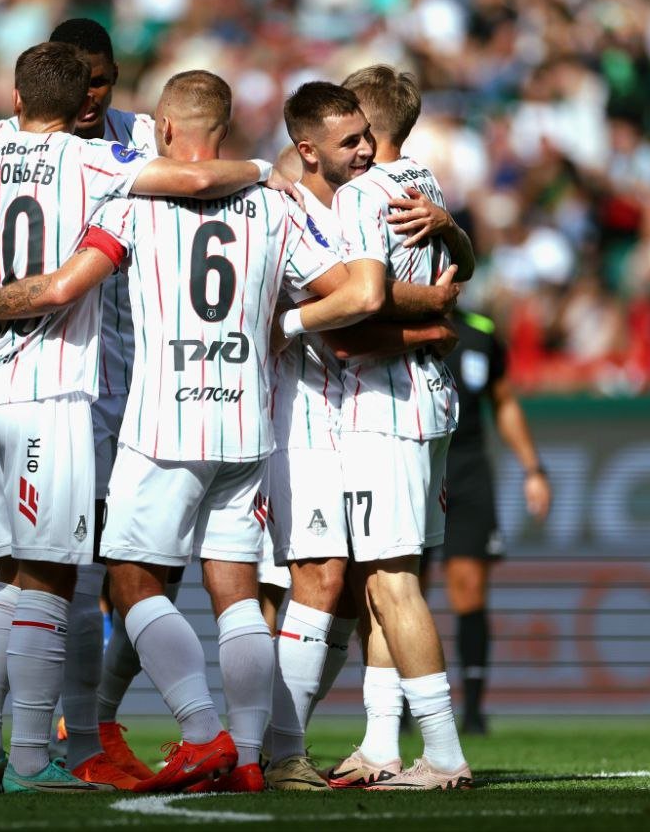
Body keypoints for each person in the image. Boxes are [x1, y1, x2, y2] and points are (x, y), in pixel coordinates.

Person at [0, 41, 296, 793]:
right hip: (55, 395)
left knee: (6, 581)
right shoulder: (95, 163)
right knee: (54, 580)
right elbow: (195, 179)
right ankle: (37, 757)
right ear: (81, 110)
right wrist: (268, 169)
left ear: (15, 98)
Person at [0, 17, 160, 784]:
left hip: (132, 386)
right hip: (63, 383)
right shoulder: (72, 153)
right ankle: (58, 745)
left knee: (85, 573)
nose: (93, 95)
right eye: (82, 82)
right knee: (58, 574)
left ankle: (29, 738)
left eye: (102, 81)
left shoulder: (133, 138)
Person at [265, 83, 471, 790]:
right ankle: (381, 745)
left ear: (371, 127)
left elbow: (361, 307)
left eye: (359, 134)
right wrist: (437, 307)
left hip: (383, 406)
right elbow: (448, 271)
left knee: (388, 583)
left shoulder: (360, 196)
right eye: (343, 139)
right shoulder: (421, 183)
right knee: (371, 584)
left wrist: (287, 325)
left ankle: (442, 755)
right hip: (417, 397)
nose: (356, 147)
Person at [424, 310, 552, 734]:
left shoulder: (480, 333)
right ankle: (398, 710)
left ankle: (474, 711)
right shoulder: (397, 324)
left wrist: (533, 469)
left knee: (469, 586)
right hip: (414, 462)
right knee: (403, 588)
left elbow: (504, 401)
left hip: (468, 468)